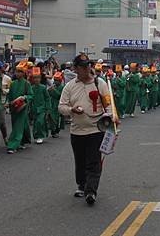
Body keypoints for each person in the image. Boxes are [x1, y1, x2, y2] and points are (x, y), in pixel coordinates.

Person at [58, 53, 114, 206]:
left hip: (96, 129)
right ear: (75, 69)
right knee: (80, 160)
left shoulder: (99, 83)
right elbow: (61, 107)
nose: (86, 69)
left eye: (88, 65)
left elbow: (108, 104)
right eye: (82, 67)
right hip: (77, 130)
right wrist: (71, 110)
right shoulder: (70, 86)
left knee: (94, 161)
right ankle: (82, 185)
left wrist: (110, 116)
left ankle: (91, 191)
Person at [6, 61, 33, 154]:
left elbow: (31, 95)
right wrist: (8, 103)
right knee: (18, 125)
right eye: (16, 71)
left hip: (22, 108)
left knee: (18, 126)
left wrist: (24, 97)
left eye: (20, 71)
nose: (17, 73)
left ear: (24, 73)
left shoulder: (27, 83)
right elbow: (9, 95)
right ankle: (23, 140)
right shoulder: (12, 83)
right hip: (13, 108)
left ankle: (12, 145)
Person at [30, 68, 50, 144]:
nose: (36, 79)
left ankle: (40, 136)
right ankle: (36, 135)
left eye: (38, 78)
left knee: (40, 122)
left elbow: (47, 98)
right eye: (35, 78)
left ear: (40, 79)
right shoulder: (31, 88)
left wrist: (48, 108)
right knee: (35, 123)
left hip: (42, 108)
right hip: (34, 108)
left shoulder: (43, 87)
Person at [48, 72, 65, 138]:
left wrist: (54, 90)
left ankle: (56, 131)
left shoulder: (62, 87)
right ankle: (53, 131)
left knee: (57, 119)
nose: (55, 82)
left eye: (57, 80)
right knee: (52, 117)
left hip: (58, 104)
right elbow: (48, 95)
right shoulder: (53, 86)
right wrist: (49, 90)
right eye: (55, 80)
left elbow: (60, 96)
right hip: (52, 103)